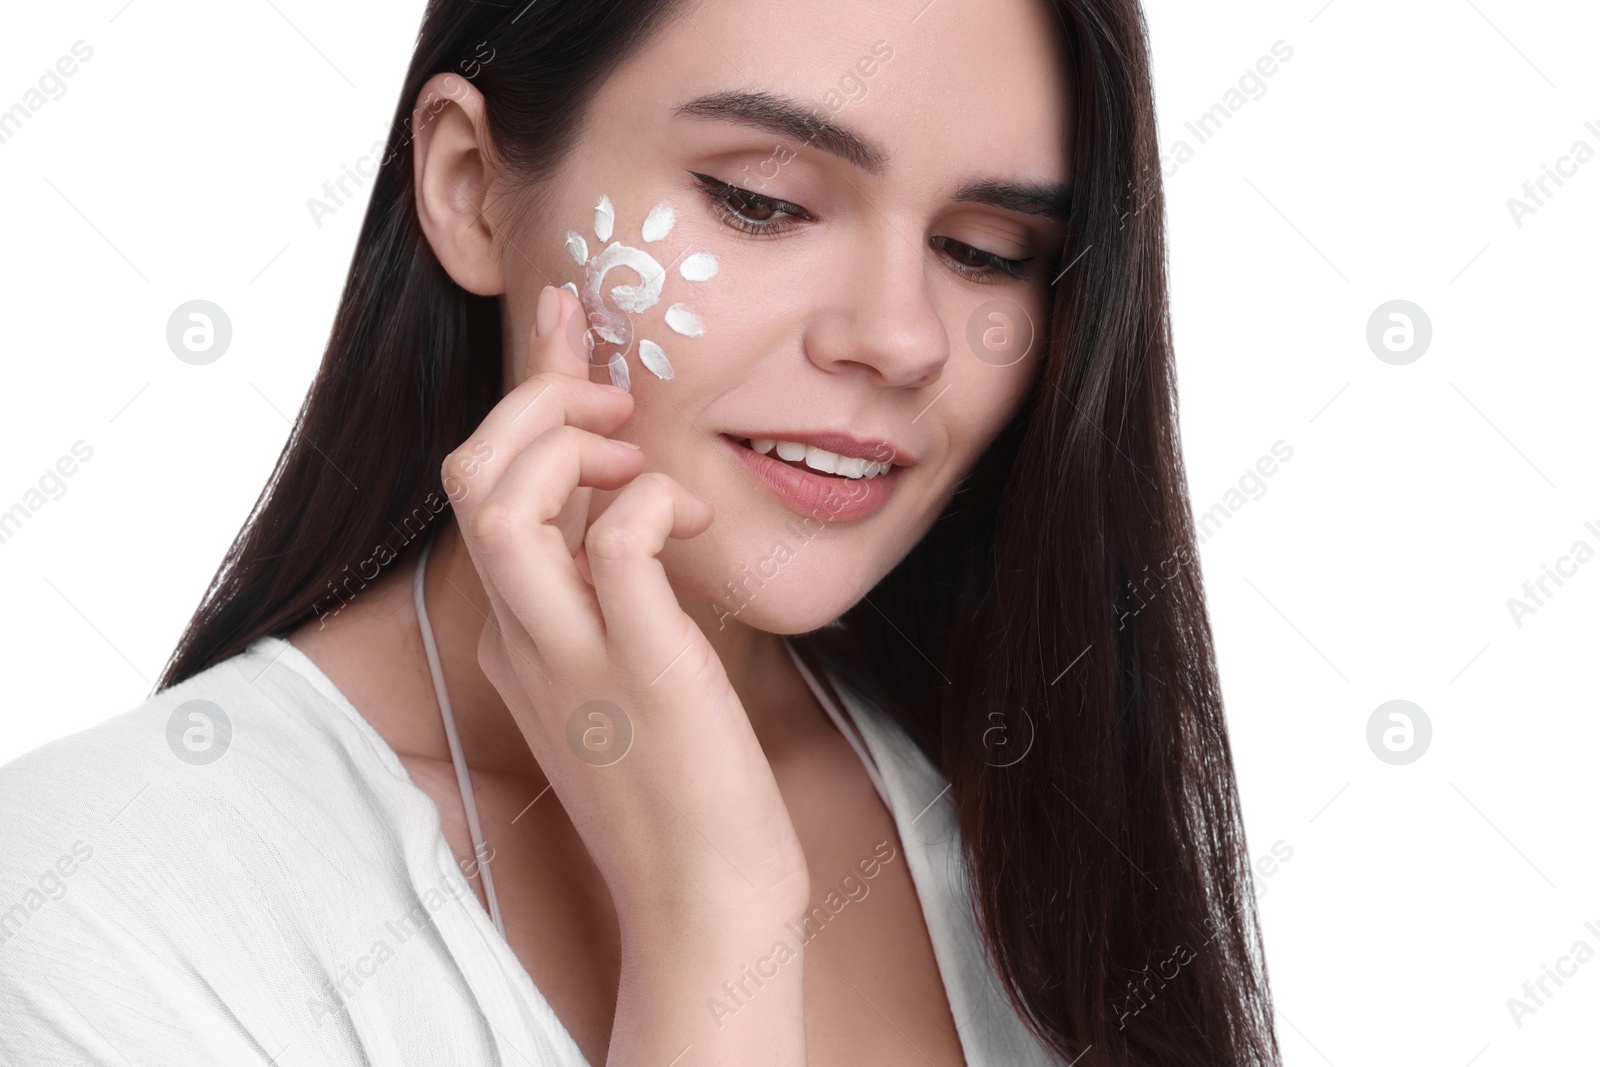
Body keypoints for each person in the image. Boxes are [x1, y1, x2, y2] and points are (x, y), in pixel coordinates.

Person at [0, 1, 1280, 1064]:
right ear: (469, 187)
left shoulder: (1025, 796)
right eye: (761, 202)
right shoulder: (97, 899)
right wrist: (710, 931)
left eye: (985, 249)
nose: (902, 336)